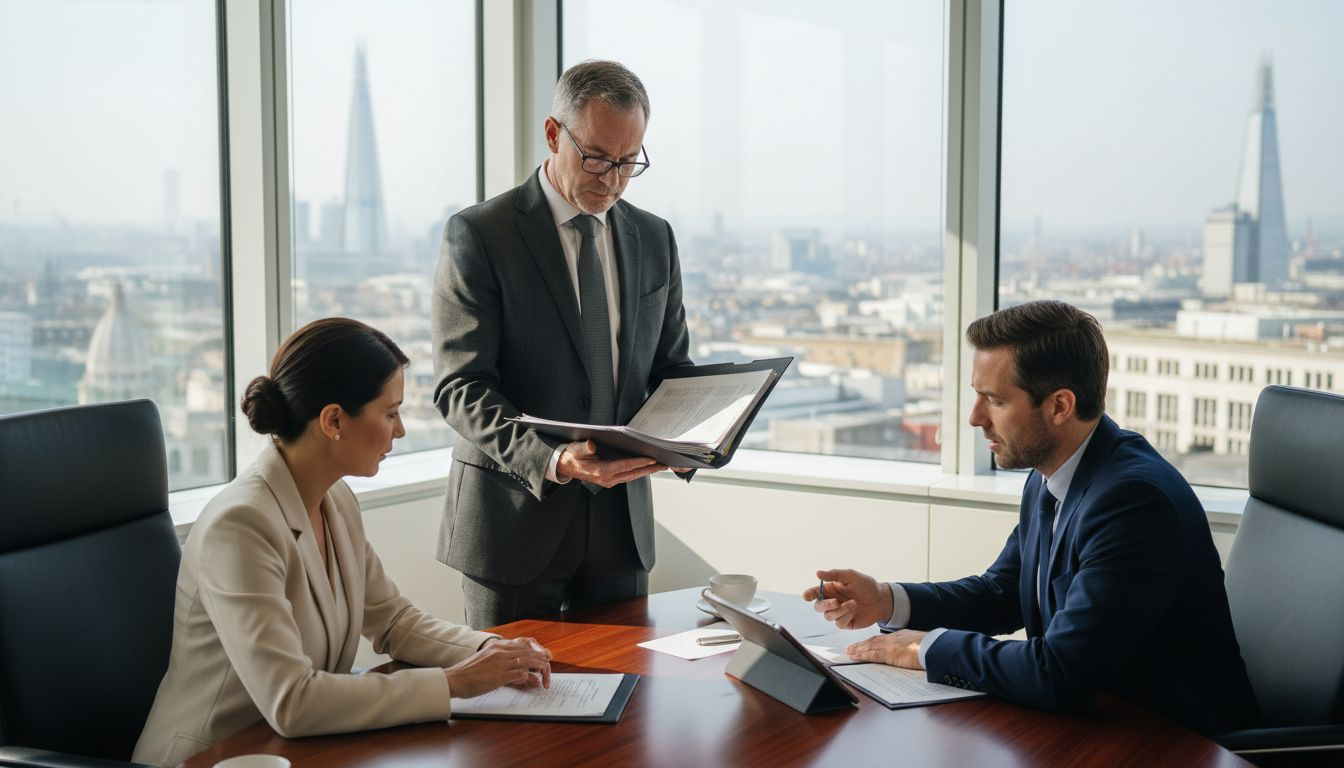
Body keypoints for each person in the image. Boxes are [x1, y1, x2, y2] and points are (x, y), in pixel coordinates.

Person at [804, 300, 1259, 736]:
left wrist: (923, 647)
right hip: (1098, 724)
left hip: (1175, 742)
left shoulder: (1134, 502)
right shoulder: (1054, 472)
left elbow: (1060, 673)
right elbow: (1002, 593)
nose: (975, 418)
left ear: (1059, 406)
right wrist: (887, 601)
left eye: (994, 400)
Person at [134, 318, 553, 767]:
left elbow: (392, 620)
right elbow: (292, 701)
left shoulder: (335, 500)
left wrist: (487, 651)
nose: (400, 430)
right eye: (390, 413)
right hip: (212, 757)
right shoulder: (240, 527)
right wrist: (454, 683)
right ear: (333, 419)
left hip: (298, 750)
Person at [432, 60, 692, 629]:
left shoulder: (654, 237)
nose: (612, 180)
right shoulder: (481, 234)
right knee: (509, 687)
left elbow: (671, 370)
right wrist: (552, 460)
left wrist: (701, 433)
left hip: (620, 532)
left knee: (628, 685)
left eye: (628, 162)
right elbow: (460, 387)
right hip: (512, 524)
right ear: (554, 135)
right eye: (596, 157)